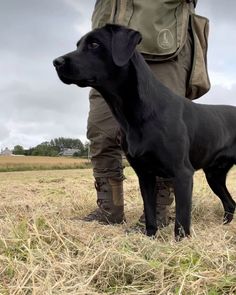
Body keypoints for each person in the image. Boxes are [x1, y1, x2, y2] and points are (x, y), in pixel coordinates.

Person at [84, 0, 210, 226]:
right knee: (101, 131)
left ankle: (159, 211)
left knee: (166, 138)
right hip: (107, 52)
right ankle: (110, 209)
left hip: (165, 46)